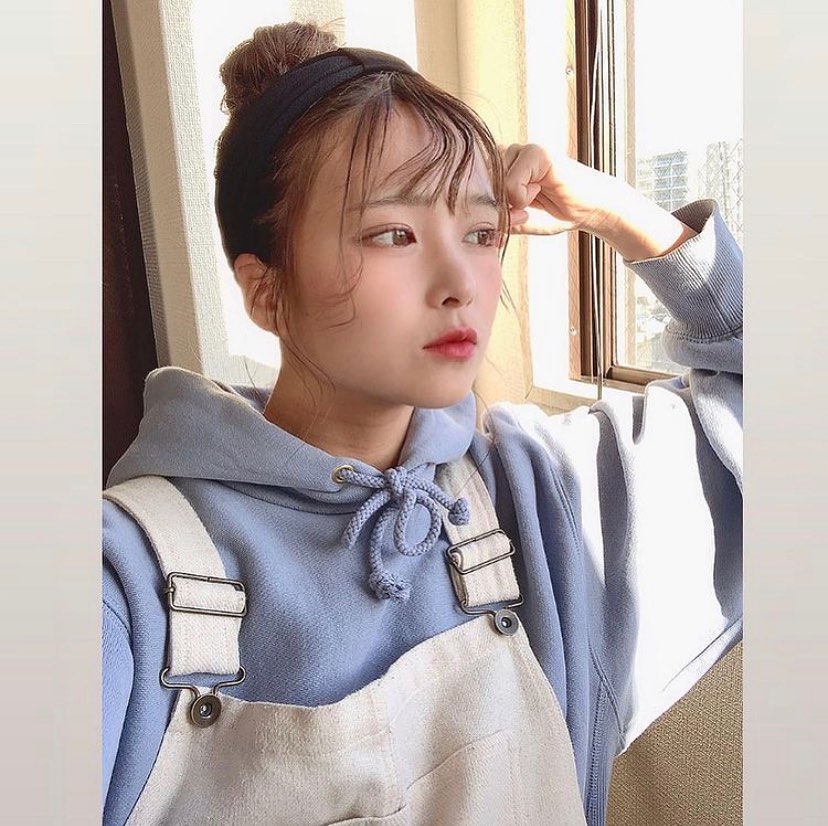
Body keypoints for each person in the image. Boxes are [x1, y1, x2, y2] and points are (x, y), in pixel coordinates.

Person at [102, 20, 742, 826]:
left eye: (481, 232)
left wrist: (624, 215)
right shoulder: (124, 579)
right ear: (265, 291)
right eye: (393, 234)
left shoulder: (542, 499)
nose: (459, 282)